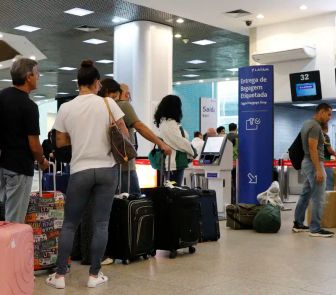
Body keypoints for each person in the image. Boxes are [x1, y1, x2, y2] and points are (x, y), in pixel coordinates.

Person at [46, 60, 128, 289]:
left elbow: (60, 141)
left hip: (80, 169)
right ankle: (94, 275)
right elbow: (123, 131)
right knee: (101, 223)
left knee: (70, 224)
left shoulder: (67, 108)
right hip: (106, 169)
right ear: (97, 83)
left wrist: (79, 138)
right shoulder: (108, 103)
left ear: (78, 83)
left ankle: (60, 276)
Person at [98, 79, 171, 195]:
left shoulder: (98, 106)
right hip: (124, 166)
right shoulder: (123, 105)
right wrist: (161, 143)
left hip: (103, 166)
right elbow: (140, 127)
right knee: (132, 201)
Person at [0, 57, 49, 223]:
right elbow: (34, 145)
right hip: (19, 167)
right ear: (28, 77)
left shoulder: (2, 96)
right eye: (37, 74)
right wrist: (42, 161)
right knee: (14, 220)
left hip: (2, 163)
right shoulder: (29, 106)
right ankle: (9, 250)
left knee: (3, 216)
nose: (38, 77)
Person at [293, 103, 334, 237]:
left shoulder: (307, 123)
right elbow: (312, 148)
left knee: (306, 194)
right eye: (328, 114)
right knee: (318, 197)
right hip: (313, 163)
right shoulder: (315, 126)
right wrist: (318, 169)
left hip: (308, 163)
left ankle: (298, 223)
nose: (329, 118)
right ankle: (315, 228)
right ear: (321, 112)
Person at [154, 95, 196, 186]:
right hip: (173, 163)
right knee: (175, 191)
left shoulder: (165, 123)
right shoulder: (170, 124)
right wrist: (192, 151)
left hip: (171, 163)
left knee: (172, 189)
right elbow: (179, 142)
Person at [321, 122, 336, 190]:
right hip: (326, 162)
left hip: (316, 162)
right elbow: (330, 150)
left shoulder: (315, 136)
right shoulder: (325, 136)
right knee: (329, 181)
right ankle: (329, 199)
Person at [227, 123, 238, 204]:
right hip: (236, 162)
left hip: (226, 163)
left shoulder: (225, 137)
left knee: (228, 180)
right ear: (236, 128)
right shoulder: (238, 137)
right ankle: (235, 198)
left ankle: (230, 198)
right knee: (235, 180)